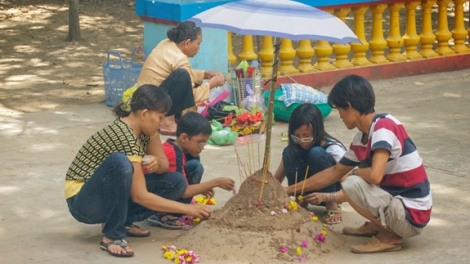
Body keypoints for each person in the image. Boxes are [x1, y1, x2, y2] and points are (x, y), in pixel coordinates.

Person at [286, 75, 432, 254]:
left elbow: (374, 175)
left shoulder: (383, 127)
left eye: (339, 110)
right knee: (350, 180)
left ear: (349, 106)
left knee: (351, 183)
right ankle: (378, 226)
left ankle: (390, 236)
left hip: (411, 216)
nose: (339, 116)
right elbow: (334, 172)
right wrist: (289, 190)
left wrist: (356, 172)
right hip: (402, 209)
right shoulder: (362, 137)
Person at [65, 85, 211, 258]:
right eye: (160, 117)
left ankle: (121, 221)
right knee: (120, 162)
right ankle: (112, 235)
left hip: (106, 197)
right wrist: (188, 210)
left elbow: (164, 163)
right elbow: (139, 196)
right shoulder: (124, 135)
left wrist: (157, 163)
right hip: (84, 202)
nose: (163, 123)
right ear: (144, 114)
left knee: (176, 182)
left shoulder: (147, 131)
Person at [147, 112, 235, 229]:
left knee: (194, 164)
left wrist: (202, 188)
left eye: (205, 143)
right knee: (191, 170)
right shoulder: (173, 154)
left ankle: (176, 210)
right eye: (200, 142)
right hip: (153, 194)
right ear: (184, 138)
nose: (203, 147)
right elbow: (183, 190)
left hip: (162, 186)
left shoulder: (180, 149)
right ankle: (163, 213)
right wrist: (216, 182)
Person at [137, 21, 225, 135]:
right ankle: (167, 122)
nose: (199, 48)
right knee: (182, 76)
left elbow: (178, 74)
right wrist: (211, 84)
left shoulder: (166, 43)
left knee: (184, 76)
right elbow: (190, 94)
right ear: (187, 43)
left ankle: (171, 117)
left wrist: (205, 74)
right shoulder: (180, 58)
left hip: (143, 97)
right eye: (198, 44)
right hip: (152, 102)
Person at [273, 103, 346, 224]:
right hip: (304, 193)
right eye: (297, 136)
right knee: (289, 151)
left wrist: (329, 197)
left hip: (329, 194)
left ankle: (331, 206)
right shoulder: (296, 146)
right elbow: (278, 177)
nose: (302, 141)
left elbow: (351, 187)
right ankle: (301, 201)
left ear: (318, 131)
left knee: (316, 153)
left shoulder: (333, 148)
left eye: (306, 136)